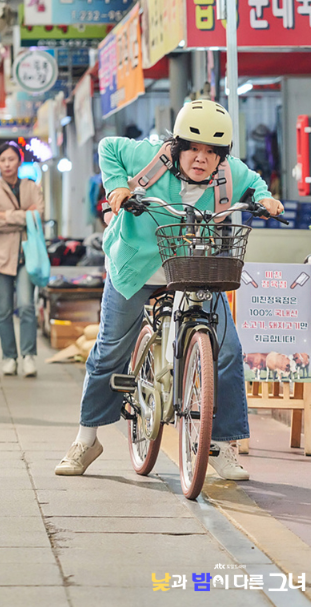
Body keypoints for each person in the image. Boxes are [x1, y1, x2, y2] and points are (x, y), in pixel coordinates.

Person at [55, 100, 284, 480]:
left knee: (226, 351)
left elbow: (256, 182)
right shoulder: (149, 156)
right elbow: (108, 147)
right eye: (193, 147)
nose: (201, 158)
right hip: (135, 268)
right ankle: (86, 438)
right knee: (110, 350)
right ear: (177, 145)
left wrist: (264, 199)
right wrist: (116, 188)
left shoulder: (230, 173)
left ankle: (223, 445)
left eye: (212, 152)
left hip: (196, 269)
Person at [0, 142, 44, 377]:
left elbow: (40, 214)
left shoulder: (31, 186)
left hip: (28, 255)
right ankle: (9, 357)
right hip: (2, 257)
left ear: (19, 161)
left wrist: (6, 216)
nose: (7, 164)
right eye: (2, 160)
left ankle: (28, 356)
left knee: (27, 305)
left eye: (11, 159)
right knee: (3, 310)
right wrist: (25, 215)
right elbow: (31, 215)